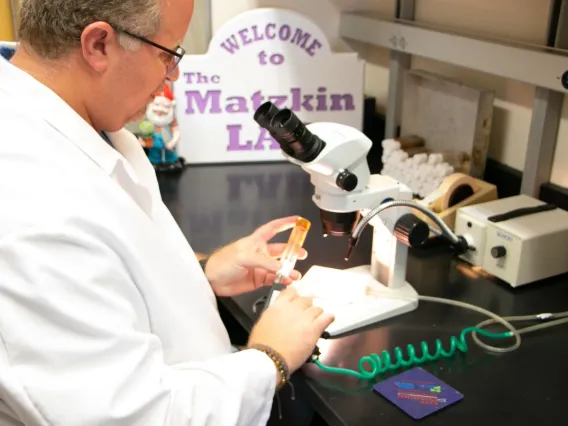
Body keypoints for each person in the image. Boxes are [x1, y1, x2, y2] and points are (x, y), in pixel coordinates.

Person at [0, 0, 335, 425]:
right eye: (167, 54)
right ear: (99, 44)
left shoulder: (78, 116)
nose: (172, 75)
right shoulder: (31, 207)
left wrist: (201, 271)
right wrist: (270, 357)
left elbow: (107, 263)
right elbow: (134, 416)